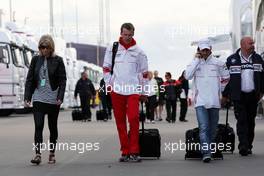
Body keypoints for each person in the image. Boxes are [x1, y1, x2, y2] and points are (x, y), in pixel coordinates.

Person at [103, 23, 148, 162]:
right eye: (125, 34)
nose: (127, 37)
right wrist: (109, 85)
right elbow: (106, 68)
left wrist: (144, 92)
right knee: (120, 122)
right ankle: (125, 150)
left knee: (134, 118)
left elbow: (144, 74)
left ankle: (134, 150)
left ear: (133, 34)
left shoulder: (139, 52)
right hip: (116, 90)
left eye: (130, 35)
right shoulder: (113, 48)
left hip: (133, 90)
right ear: (121, 33)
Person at [24, 34, 67, 165]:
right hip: (39, 97)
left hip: (53, 98)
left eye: (46, 47)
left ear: (51, 47)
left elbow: (62, 80)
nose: (44, 50)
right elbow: (30, 79)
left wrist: (60, 97)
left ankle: (52, 154)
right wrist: (27, 97)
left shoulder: (58, 60)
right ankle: (38, 154)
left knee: (52, 126)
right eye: (41, 47)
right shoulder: (35, 60)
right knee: (38, 126)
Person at [185, 39, 229, 163]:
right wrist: (196, 60)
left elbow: (226, 78)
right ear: (198, 50)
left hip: (214, 100)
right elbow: (187, 76)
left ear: (210, 49)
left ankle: (209, 148)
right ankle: (206, 152)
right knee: (203, 127)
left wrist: (220, 91)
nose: (205, 52)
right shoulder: (194, 63)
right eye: (202, 49)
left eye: (206, 49)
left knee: (213, 128)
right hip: (200, 101)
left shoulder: (218, 63)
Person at [222, 36, 264, 156]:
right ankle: (243, 146)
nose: (253, 45)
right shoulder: (232, 60)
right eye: (250, 43)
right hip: (238, 96)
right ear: (242, 45)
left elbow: (263, 77)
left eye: (253, 43)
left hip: (253, 96)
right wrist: (225, 95)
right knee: (242, 121)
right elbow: (226, 79)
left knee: (251, 122)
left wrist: (262, 91)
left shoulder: (258, 59)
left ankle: (249, 144)